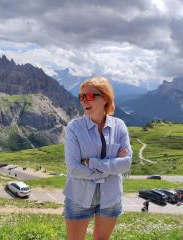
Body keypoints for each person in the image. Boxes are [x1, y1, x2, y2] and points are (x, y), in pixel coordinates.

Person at [63, 77, 133, 240]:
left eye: (88, 96)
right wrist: (109, 170)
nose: (83, 100)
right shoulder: (74, 127)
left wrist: (92, 163)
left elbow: (126, 164)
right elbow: (73, 168)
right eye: (81, 96)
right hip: (79, 196)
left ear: (105, 98)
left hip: (110, 197)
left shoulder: (119, 126)